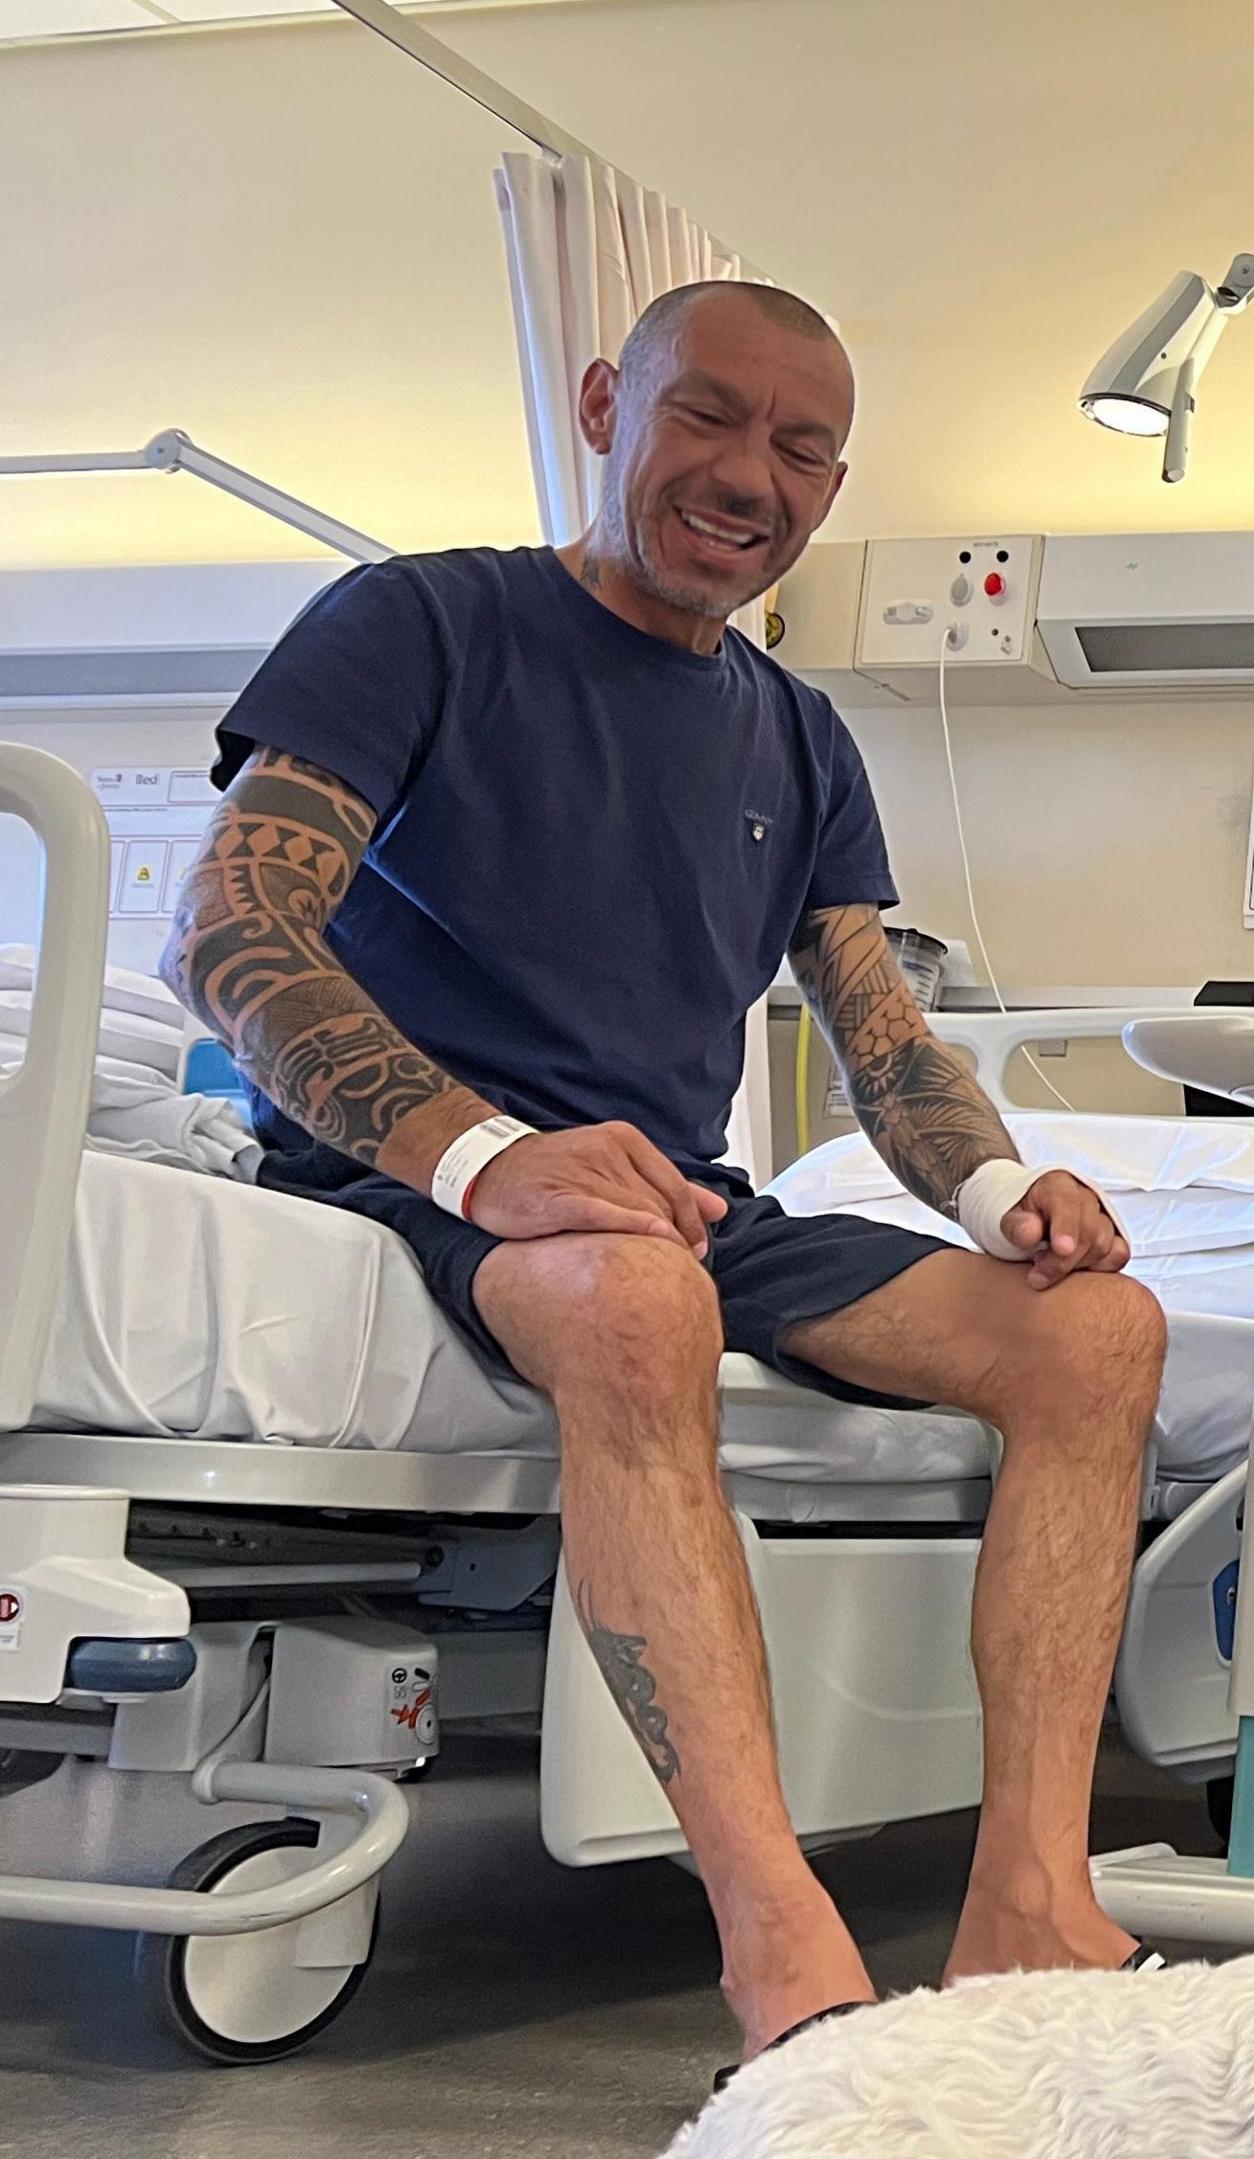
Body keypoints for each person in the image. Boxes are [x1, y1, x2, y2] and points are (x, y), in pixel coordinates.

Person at [168, 282, 1169, 2067]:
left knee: (1097, 1335)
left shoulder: (796, 733)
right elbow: (236, 933)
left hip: (681, 1186)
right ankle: (778, 1941)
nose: (747, 475)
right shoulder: (422, 622)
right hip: (403, 1167)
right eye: (709, 416)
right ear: (606, 402)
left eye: (800, 448)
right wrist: (485, 1156)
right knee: (643, 1298)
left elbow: (881, 1033)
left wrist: (1000, 1191)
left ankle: (1029, 1899)